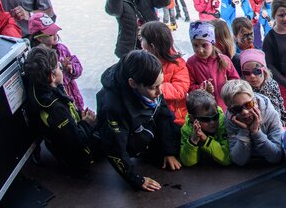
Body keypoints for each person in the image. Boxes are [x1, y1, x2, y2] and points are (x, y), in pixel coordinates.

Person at [96, 50, 182, 192]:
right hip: (126, 136)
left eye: (161, 84)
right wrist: (135, 179)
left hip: (144, 126)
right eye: (153, 87)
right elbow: (114, 148)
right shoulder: (112, 106)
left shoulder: (151, 82)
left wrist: (169, 151)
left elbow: (163, 114)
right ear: (133, 83)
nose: (159, 91)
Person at [24, 45, 98, 175]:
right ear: (52, 77)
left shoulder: (39, 89)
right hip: (79, 158)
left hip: (63, 143)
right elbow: (76, 142)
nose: (61, 68)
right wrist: (87, 122)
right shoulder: (56, 109)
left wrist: (79, 117)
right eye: (58, 66)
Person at [29, 12, 85, 112]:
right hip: (58, 102)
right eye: (51, 33)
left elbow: (79, 67)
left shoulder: (62, 49)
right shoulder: (38, 59)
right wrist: (63, 71)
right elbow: (51, 83)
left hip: (74, 97)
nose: (55, 35)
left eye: (55, 31)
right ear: (40, 38)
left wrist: (71, 68)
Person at [222, 78, 285, 165]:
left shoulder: (270, 113)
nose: (245, 112)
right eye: (237, 109)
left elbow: (276, 156)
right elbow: (239, 161)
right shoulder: (230, 119)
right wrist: (244, 132)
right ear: (230, 110)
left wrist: (256, 132)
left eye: (248, 105)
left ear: (255, 100)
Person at [140, 20, 191, 125]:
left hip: (175, 116)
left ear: (152, 46)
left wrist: (155, 87)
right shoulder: (144, 62)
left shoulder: (177, 64)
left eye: (142, 39)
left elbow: (180, 89)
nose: (141, 43)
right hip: (153, 114)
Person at [186, 21, 239, 110]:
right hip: (204, 109)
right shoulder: (191, 63)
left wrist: (229, 85)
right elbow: (189, 87)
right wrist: (202, 88)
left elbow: (237, 81)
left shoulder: (224, 60)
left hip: (226, 106)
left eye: (204, 45)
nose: (200, 50)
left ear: (212, 43)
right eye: (195, 45)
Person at [237, 48, 286, 129]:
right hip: (262, 130)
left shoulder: (272, 84)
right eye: (247, 72)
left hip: (280, 126)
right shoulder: (244, 93)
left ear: (264, 71)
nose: (252, 76)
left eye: (256, 71)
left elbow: (281, 108)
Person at [179, 89, 231, 166]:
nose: (212, 122)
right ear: (192, 118)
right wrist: (193, 140)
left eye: (215, 116)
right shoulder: (187, 129)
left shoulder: (222, 123)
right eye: (205, 119)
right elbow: (188, 162)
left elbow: (227, 159)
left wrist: (206, 140)